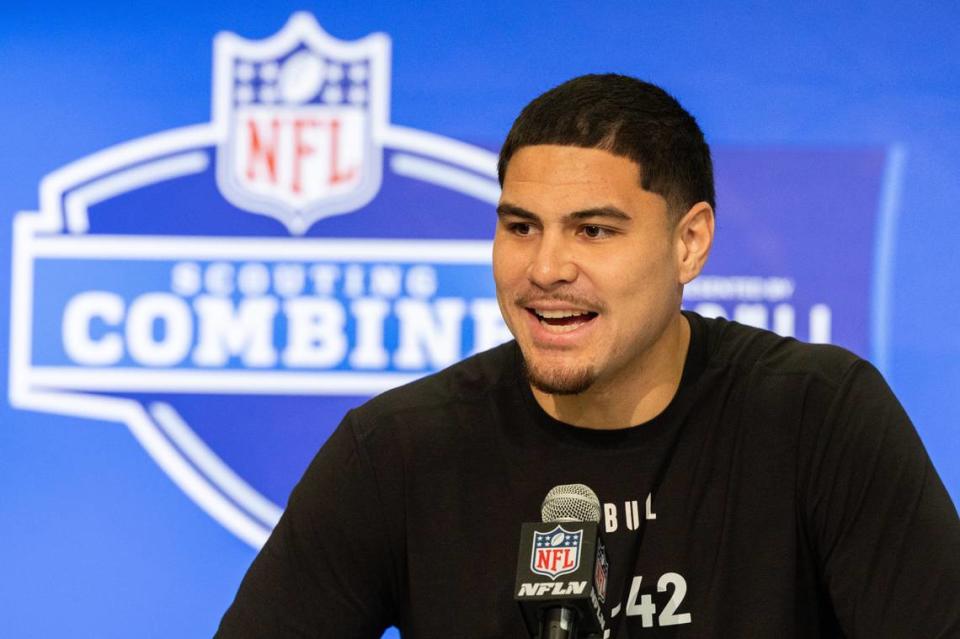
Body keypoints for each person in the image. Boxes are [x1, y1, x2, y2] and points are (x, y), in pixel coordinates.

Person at [215, 74, 960, 638]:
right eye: (521, 226)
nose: (545, 268)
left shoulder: (816, 417)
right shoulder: (398, 451)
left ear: (689, 242)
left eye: (593, 231)